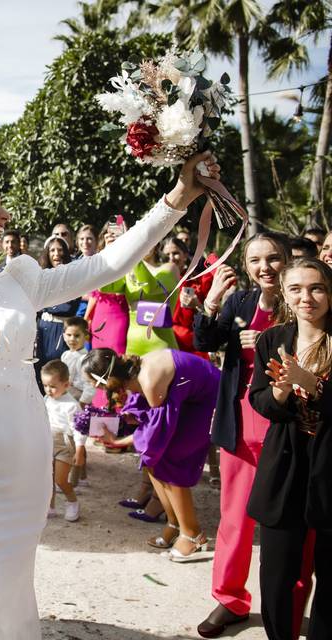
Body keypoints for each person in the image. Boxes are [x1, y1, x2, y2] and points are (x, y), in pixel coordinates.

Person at [0, 150, 220, 638]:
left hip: (24, 471)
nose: (6, 215)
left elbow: (108, 262)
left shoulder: (20, 283)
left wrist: (179, 197)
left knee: (11, 595)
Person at [191, 232, 311, 637]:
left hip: (289, 428)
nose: (265, 268)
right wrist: (211, 303)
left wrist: (268, 343)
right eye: (256, 261)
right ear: (246, 267)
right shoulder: (241, 302)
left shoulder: (303, 300)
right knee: (235, 518)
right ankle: (230, 600)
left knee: (289, 525)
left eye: (273, 259)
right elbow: (204, 339)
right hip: (240, 423)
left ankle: (289, 609)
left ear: (287, 260)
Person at [248, 257, 332, 640]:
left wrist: (314, 385)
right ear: (284, 293)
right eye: (296, 289)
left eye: (315, 288)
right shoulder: (273, 338)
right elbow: (259, 401)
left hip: (329, 468)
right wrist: (280, 392)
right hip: (285, 466)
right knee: (276, 574)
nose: (306, 298)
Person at [84, 347, 218, 561]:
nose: (93, 387)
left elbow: (154, 432)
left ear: (107, 380)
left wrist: (118, 441)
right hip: (189, 397)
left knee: (171, 460)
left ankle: (193, 535)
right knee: (152, 462)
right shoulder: (134, 371)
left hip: (208, 400)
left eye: (94, 383)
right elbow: (150, 414)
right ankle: (174, 524)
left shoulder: (149, 381)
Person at [99, 241, 180, 355]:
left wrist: (133, 254)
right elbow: (104, 287)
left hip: (161, 345)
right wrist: (109, 253)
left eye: (146, 240)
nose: (141, 244)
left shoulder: (170, 268)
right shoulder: (130, 271)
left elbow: (150, 287)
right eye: (139, 240)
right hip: (133, 345)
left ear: (156, 243)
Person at [41, 360, 83, 522]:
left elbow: (79, 429)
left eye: (52, 386)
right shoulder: (46, 399)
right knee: (47, 478)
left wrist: (80, 449)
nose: (48, 390)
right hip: (47, 441)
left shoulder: (71, 405)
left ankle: (72, 502)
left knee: (60, 479)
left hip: (64, 445)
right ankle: (50, 506)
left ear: (66, 385)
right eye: (45, 385)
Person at [35, 236, 79, 374]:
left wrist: (47, 305)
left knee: (58, 370)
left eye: (60, 250)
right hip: (44, 328)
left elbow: (68, 306)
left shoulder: (73, 277)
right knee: (41, 368)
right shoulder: (41, 276)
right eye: (52, 250)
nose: (56, 254)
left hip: (61, 329)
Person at [85, 224, 130, 356]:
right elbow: (95, 294)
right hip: (100, 315)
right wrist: (86, 318)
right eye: (110, 233)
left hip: (119, 314)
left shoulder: (129, 258)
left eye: (117, 233)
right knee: (98, 358)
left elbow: (119, 288)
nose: (113, 236)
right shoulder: (99, 259)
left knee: (116, 356)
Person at [61, 316, 94, 486]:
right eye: (69, 335)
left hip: (78, 402)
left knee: (75, 441)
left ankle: (73, 480)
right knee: (75, 440)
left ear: (85, 337)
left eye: (77, 336)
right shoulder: (66, 354)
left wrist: (82, 402)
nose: (72, 339)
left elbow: (90, 384)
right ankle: (83, 477)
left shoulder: (85, 358)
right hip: (68, 399)